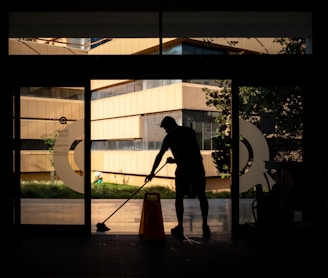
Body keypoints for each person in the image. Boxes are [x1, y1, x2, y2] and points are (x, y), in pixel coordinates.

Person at [145, 116, 211, 238]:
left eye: (165, 128)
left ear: (169, 125)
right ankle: (205, 225)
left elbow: (160, 155)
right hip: (197, 167)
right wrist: (175, 160)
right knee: (202, 196)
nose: (165, 130)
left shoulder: (170, 136)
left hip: (183, 169)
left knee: (179, 197)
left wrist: (152, 172)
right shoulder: (190, 132)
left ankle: (180, 226)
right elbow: (191, 153)